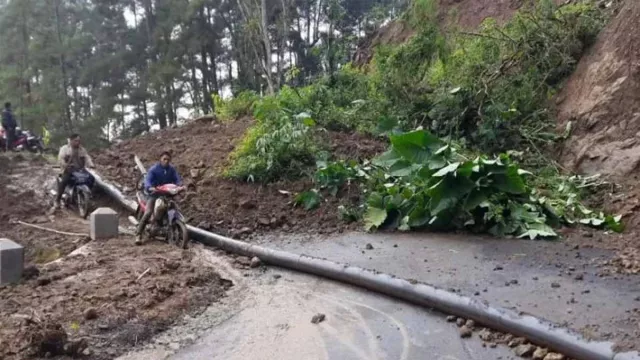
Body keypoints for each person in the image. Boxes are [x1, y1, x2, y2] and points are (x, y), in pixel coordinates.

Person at [135, 151, 183, 245]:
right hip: (154, 194)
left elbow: (177, 179)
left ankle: (173, 224)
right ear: (160, 159)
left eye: (168, 159)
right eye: (164, 159)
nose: (166, 161)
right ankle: (138, 234)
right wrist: (150, 187)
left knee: (175, 205)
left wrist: (180, 186)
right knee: (148, 212)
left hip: (167, 193)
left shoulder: (171, 169)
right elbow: (148, 180)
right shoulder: (154, 169)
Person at [54, 133, 95, 209]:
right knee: (64, 181)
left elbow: (87, 157)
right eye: (76, 141)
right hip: (68, 170)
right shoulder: (65, 148)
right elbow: (60, 159)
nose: (78, 142)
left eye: (79, 141)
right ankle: (57, 200)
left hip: (80, 170)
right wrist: (65, 165)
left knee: (91, 178)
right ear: (71, 140)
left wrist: (91, 164)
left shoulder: (82, 149)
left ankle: (88, 196)